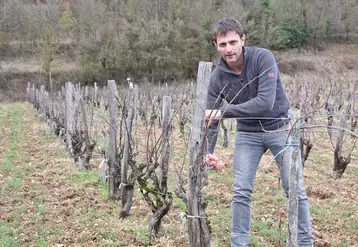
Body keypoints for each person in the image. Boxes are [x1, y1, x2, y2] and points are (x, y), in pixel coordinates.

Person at [205, 18, 313, 247]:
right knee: (241, 190)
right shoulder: (217, 77)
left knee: (293, 188)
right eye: (223, 44)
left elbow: (264, 103)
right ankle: (239, 244)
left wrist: (223, 112)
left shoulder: (263, 58)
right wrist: (208, 151)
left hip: (280, 127)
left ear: (243, 40)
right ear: (216, 45)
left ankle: (305, 243)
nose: (229, 49)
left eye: (233, 42)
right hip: (248, 133)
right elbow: (210, 118)